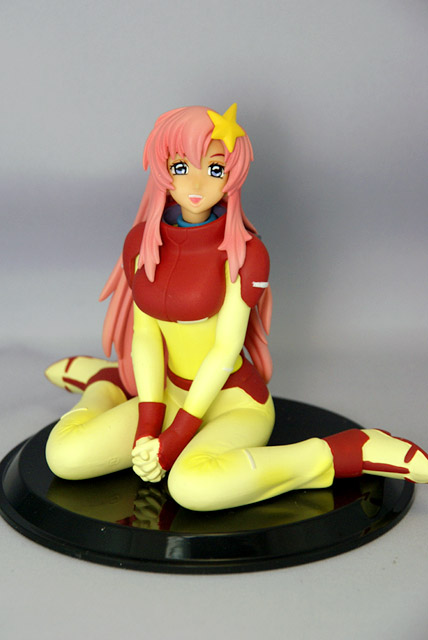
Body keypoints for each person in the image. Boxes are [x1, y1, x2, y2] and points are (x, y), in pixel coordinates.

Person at [45, 104, 428, 512]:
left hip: (233, 402)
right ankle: (107, 384)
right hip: (168, 393)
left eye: (214, 169)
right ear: (163, 168)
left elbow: (225, 350)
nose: (196, 184)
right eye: (180, 167)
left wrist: (175, 438)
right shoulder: (141, 243)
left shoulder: (244, 253)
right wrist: (147, 427)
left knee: (193, 487)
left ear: (232, 176)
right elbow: (145, 334)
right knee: (65, 456)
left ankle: (344, 452)